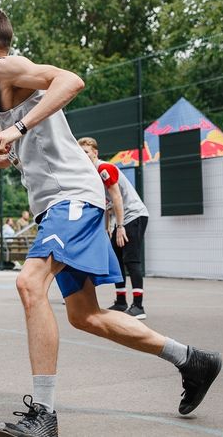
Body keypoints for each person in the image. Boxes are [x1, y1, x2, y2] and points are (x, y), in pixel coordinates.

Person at [0, 7, 221, 437]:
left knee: (29, 283)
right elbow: (32, 147)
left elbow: (71, 81)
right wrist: (2, 155)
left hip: (72, 198)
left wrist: (16, 129)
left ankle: (43, 414)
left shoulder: (7, 67)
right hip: (57, 204)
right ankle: (192, 360)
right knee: (85, 315)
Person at [78, 137, 150, 319]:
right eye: (81, 153)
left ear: (95, 152)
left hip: (133, 215)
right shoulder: (90, 176)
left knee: (131, 259)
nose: (83, 156)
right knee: (116, 260)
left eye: (86, 152)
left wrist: (120, 226)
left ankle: (139, 306)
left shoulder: (104, 168)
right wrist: (106, 228)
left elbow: (116, 198)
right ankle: (121, 301)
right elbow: (105, 204)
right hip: (119, 219)